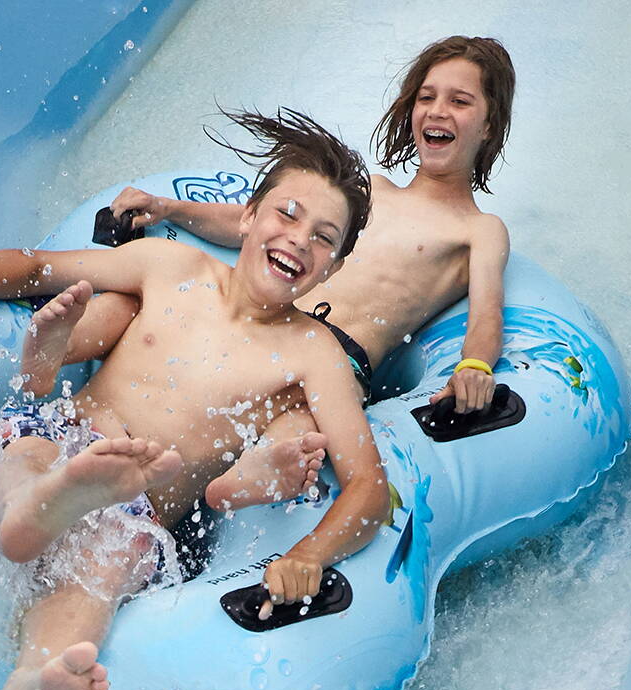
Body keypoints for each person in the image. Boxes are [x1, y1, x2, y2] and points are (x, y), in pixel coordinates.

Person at [0, 111, 390, 690]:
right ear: (247, 216)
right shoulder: (172, 268)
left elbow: (368, 487)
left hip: (138, 500)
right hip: (64, 437)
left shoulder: (312, 353)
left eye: (324, 238)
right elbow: (37, 268)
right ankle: (35, 506)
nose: (299, 240)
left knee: (106, 559)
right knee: (33, 455)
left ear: (334, 266)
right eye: (287, 214)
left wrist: (306, 556)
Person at [66, 35, 516, 416]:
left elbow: (486, 314)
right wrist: (168, 208)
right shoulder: (372, 190)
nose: (438, 111)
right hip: (270, 318)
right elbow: (258, 224)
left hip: (332, 358)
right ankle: (57, 364)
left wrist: (474, 367)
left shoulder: (479, 229)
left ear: (489, 124)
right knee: (143, 316)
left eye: (460, 102)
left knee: (270, 424)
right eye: (426, 97)